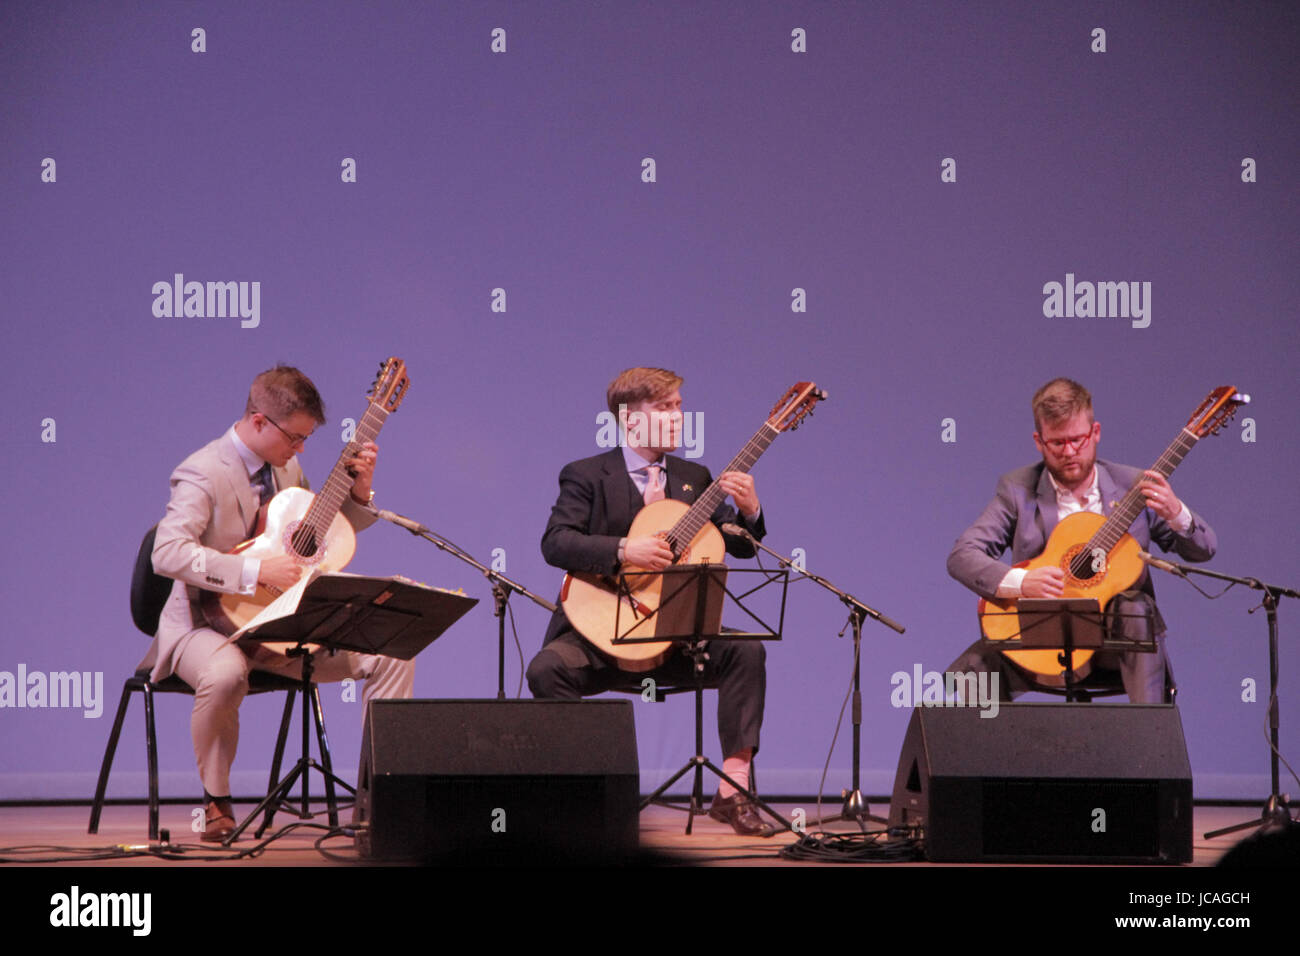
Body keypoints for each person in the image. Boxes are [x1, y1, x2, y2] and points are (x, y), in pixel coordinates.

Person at [150, 365, 414, 841]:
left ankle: (380, 802)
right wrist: (252, 572)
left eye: (306, 439)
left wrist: (358, 493)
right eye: (295, 438)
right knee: (225, 672)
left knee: (390, 651)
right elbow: (166, 553)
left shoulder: (285, 468)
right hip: (204, 624)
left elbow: (316, 533)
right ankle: (216, 801)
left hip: (281, 625)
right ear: (258, 421)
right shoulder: (202, 471)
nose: (301, 450)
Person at [525, 367, 774, 836]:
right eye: (666, 407)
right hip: (600, 637)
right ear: (631, 419)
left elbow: (739, 545)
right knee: (546, 670)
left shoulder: (693, 477)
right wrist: (623, 550)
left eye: (680, 405)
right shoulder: (586, 475)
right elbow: (556, 542)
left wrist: (750, 510)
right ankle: (585, 793)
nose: (680, 416)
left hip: (675, 640)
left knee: (747, 651)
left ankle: (734, 792)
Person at [945, 377, 1217, 702]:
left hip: (1118, 646)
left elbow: (1204, 550)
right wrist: (1023, 581)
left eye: (1078, 440)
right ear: (1038, 441)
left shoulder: (1134, 485)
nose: (1070, 452)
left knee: (1135, 607)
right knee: (967, 677)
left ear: (1096, 432)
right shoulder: (1017, 490)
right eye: (1057, 443)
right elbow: (962, 555)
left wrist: (1176, 513)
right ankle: (1005, 751)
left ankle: (1150, 740)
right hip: (1040, 639)